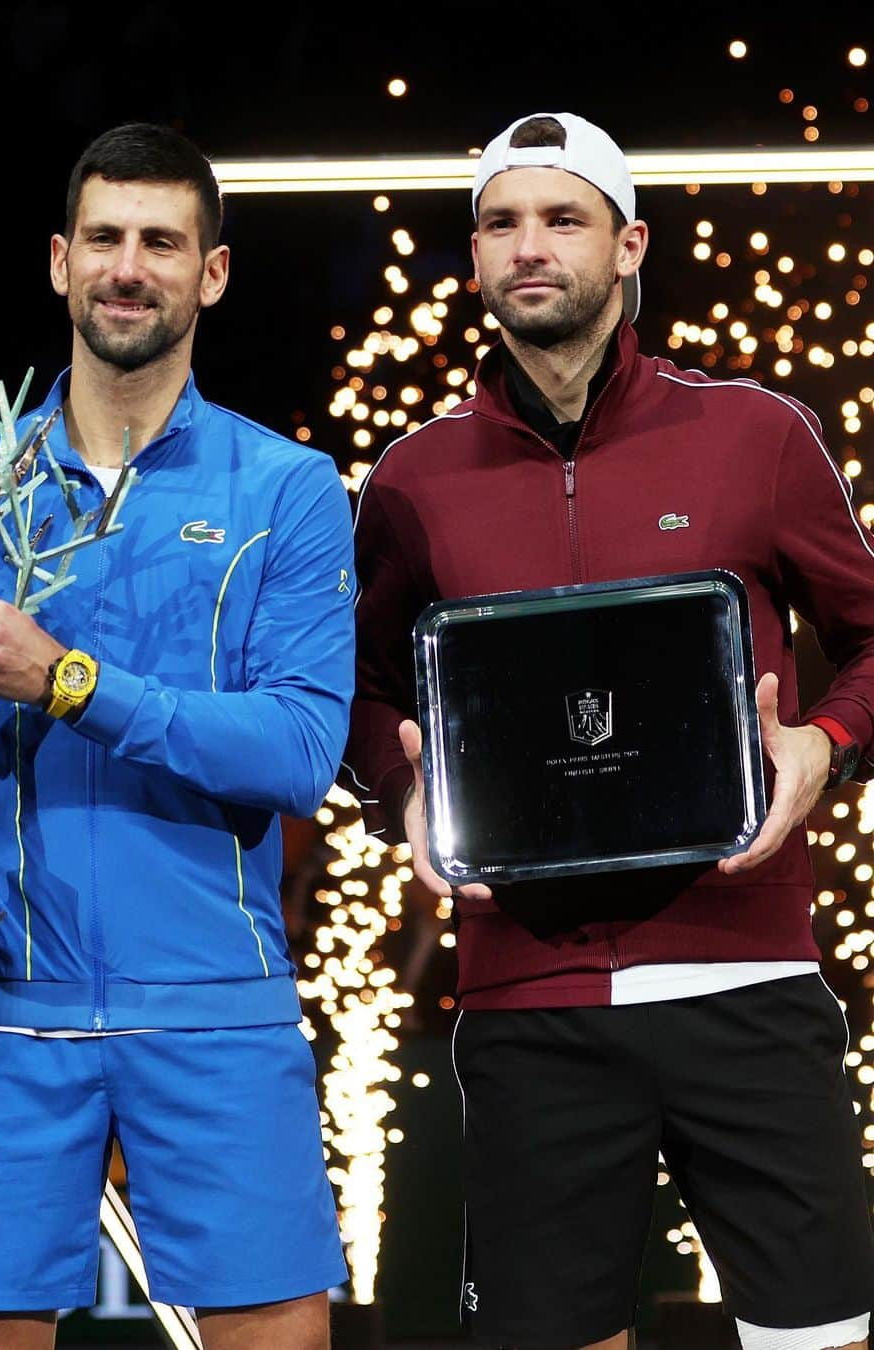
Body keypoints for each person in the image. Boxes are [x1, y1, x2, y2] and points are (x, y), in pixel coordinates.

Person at [0, 122, 354, 1349]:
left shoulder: (289, 492)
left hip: (214, 1004)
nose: (128, 266)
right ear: (60, 261)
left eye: (162, 242)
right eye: (104, 238)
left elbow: (301, 751)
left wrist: (73, 682)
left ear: (211, 274)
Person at [343, 110, 874, 1350]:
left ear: (629, 244)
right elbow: (359, 693)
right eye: (502, 223)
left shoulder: (758, 433)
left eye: (564, 218)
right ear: (473, 259)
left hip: (746, 979)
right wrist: (404, 795)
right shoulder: (414, 479)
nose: (532, 246)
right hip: (528, 1007)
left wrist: (825, 747)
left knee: (823, 1337)